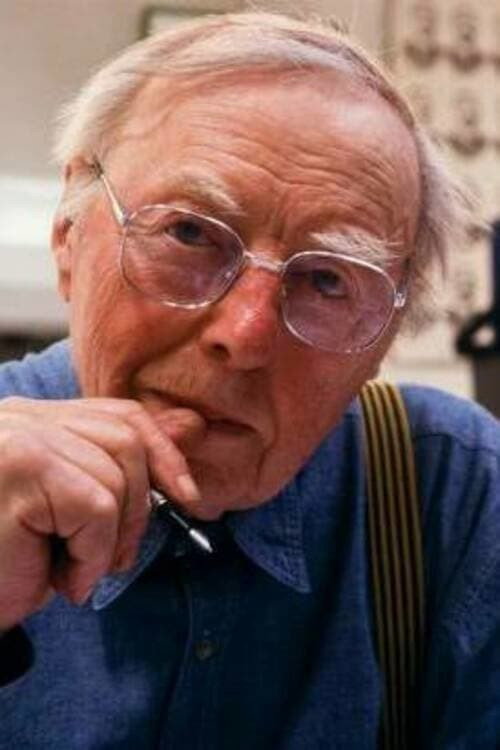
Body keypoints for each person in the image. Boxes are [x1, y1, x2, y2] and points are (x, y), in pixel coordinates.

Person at [0, 11, 498, 749]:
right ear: (69, 231)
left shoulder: (443, 493)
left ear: (387, 338)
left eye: (327, 280)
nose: (243, 335)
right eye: (189, 233)